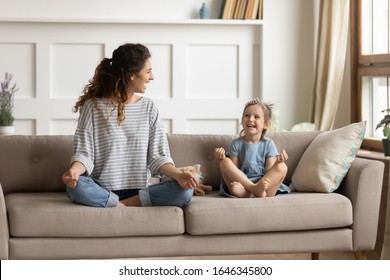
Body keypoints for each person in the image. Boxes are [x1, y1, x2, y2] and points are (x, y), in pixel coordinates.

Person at [62, 43, 196, 208]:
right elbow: (84, 155)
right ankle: (123, 206)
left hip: (139, 191)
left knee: (184, 191)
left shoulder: (149, 107)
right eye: (148, 71)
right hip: (102, 188)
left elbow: (158, 158)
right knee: (77, 188)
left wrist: (178, 175)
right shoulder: (93, 107)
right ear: (132, 74)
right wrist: (75, 171)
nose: (152, 77)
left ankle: (116, 206)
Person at [214, 98, 290, 198]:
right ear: (242, 120)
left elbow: (269, 172)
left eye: (256, 117)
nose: (250, 119)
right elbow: (233, 170)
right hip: (242, 183)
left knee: (282, 167)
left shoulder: (268, 144)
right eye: (247, 116)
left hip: (263, 186)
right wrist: (221, 157)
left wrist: (278, 162)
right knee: (224, 162)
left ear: (266, 124)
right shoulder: (236, 143)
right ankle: (252, 190)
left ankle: (250, 193)